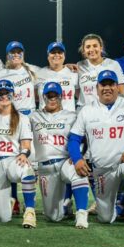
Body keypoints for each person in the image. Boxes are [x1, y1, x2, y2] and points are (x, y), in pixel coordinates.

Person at [66, 71, 124, 228]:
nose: (107, 88)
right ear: (96, 88)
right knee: (105, 218)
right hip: (102, 171)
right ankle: (122, 203)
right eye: (103, 84)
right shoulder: (87, 110)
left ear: (117, 87)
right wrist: (77, 158)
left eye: (111, 84)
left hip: (123, 164)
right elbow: (73, 139)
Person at [0, 80, 39, 228]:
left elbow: (26, 144)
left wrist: (24, 154)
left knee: (26, 169)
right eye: (0, 93)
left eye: (7, 93)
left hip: (13, 160)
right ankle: (6, 202)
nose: (4, 96)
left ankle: (30, 211)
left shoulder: (22, 118)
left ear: (13, 95)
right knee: (2, 218)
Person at [30, 82, 83, 225]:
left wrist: (78, 156)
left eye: (55, 96)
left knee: (79, 172)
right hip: (45, 168)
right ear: (43, 98)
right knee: (53, 217)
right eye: (49, 96)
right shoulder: (34, 116)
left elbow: (82, 138)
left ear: (61, 97)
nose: (52, 99)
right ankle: (65, 207)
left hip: (65, 162)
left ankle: (82, 213)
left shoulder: (72, 116)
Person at [75, 33, 123, 108]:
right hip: (84, 110)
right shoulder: (79, 66)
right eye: (88, 47)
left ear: (101, 47)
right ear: (84, 50)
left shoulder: (113, 64)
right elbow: (77, 91)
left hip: (107, 109)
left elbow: (121, 91)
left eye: (95, 46)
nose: (91, 49)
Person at [34, 41, 79, 111]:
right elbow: (35, 97)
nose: (56, 54)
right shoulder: (39, 74)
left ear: (64, 56)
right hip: (45, 119)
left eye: (60, 52)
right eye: (53, 52)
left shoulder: (73, 73)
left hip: (68, 119)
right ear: (48, 56)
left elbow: (80, 96)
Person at [0, 41, 36, 115]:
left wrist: (65, 67)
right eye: (13, 52)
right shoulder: (1, 74)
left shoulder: (31, 69)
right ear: (7, 55)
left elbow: (48, 71)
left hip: (30, 114)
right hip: (11, 115)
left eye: (19, 52)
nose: (16, 54)